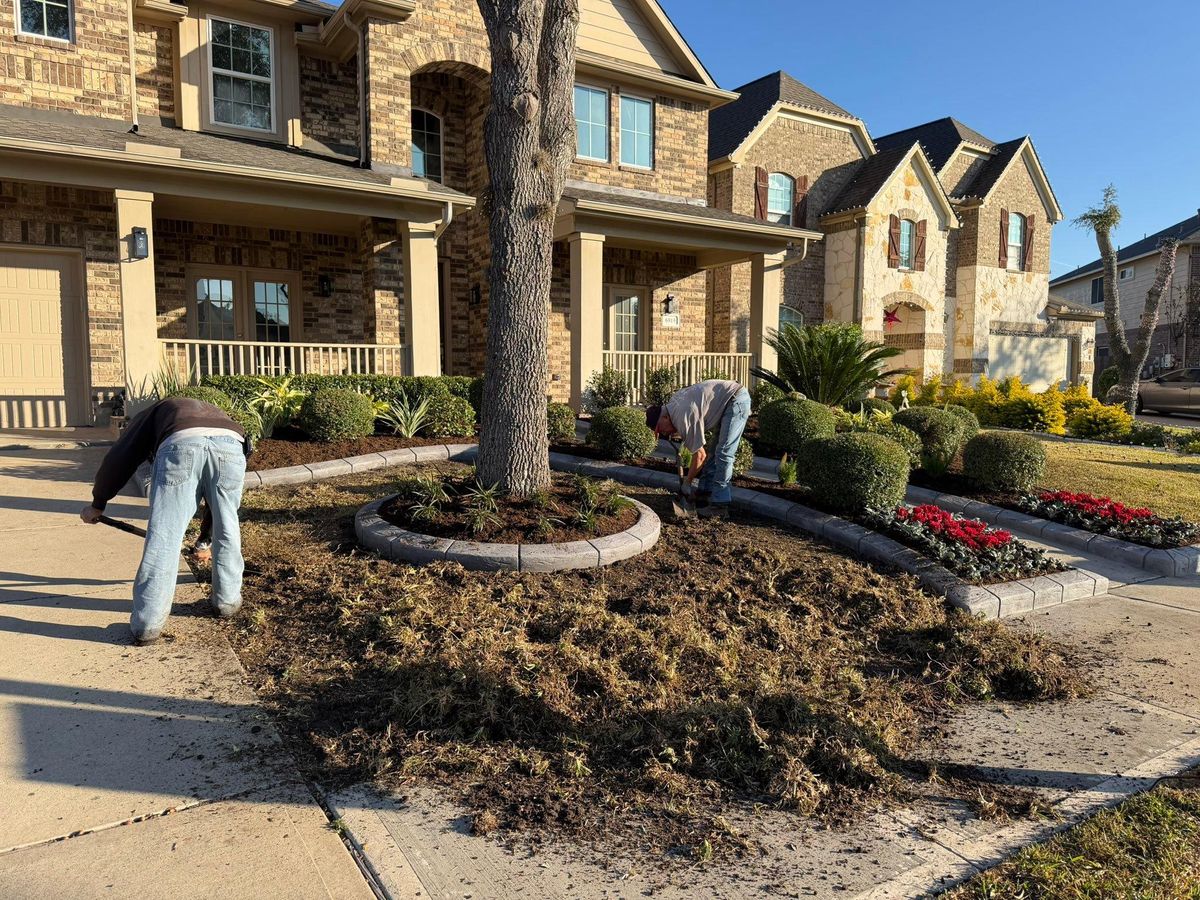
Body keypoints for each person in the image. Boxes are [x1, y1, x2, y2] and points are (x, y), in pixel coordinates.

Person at [80, 397, 249, 644]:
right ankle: (227, 602)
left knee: (164, 536)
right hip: (232, 447)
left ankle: (147, 624)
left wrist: (98, 503)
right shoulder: (217, 414)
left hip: (181, 444)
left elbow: (122, 457)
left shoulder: (154, 413)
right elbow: (218, 511)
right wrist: (204, 541)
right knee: (228, 527)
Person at [646, 378, 751, 518]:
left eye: (661, 429)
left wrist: (687, 483)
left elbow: (700, 456)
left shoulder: (682, 416)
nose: (664, 433)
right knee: (714, 452)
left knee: (724, 453)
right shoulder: (673, 406)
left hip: (735, 400)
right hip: (727, 402)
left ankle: (720, 506)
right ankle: (704, 493)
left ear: (664, 417)